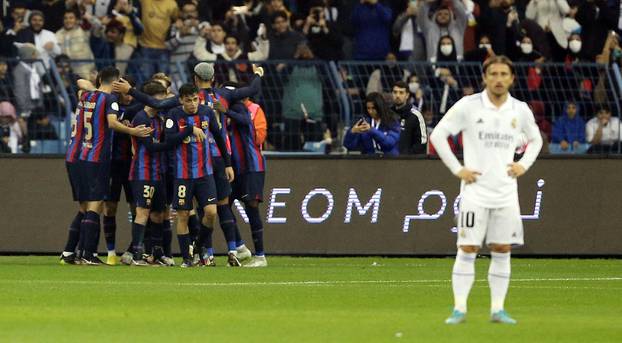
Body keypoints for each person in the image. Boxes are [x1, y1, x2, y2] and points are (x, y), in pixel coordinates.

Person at [430, 56, 543, 324]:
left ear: (512, 78)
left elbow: (536, 139)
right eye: (493, 73)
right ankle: (459, 309)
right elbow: (438, 135)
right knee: (467, 249)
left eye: (504, 73)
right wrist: (459, 170)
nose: (499, 78)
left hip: (505, 194)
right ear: (485, 77)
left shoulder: (519, 110)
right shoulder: (468, 107)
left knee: (502, 249)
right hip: (474, 193)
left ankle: (497, 309)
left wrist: (523, 164)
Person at [66, 66, 152, 265]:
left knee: (85, 206)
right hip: (96, 158)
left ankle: (73, 253)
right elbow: (112, 123)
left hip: (77, 156)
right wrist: (134, 132)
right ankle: (88, 254)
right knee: (95, 206)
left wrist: (88, 81)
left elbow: (78, 82)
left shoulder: (85, 96)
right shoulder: (110, 99)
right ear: (115, 83)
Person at [126, 81, 200, 265]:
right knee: (142, 212)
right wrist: (179, 138)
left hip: (159, 172)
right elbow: (151, 146)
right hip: (143, 172)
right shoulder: (141, 118)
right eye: (160, 99)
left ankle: (157, 253)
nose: (163, 103)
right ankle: (137, 255)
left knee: (160, 214)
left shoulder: (159, 118)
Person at [164, 83, 234, 268]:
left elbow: (219, 137)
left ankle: (197, 249)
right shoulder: (173, 115)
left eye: (195, 99)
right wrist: (188, 130)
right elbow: (169, 140)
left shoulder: (207, 113)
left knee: (211, 212)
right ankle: (187, 259)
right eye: (188, 100)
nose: (193, 104)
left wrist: (228, 164)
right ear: (181, 100)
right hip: (182, 175)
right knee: (183, 216)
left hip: (205, 173)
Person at [223, 88, 268, 267]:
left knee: (251, 207)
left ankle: (260, 256)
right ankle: (241, 248)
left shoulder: (245, 109)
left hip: (251, 166)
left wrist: (226, 111)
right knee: (223, 205)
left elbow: (250, 126)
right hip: (234, 169)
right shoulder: (225, 112)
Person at [391, 80, 426, 155]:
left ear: (407, 95)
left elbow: (422, 143)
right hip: (388, 160)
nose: (397, 95)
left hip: (409, 161)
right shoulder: (388, 113)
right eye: (395, 92)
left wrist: (407, 156)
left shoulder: (416, 115)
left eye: (401, 92)